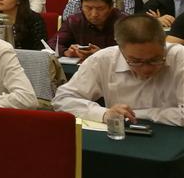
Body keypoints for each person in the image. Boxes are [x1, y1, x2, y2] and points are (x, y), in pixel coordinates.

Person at [53, 15, 184, 126]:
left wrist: (137, 113)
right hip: (122, 134)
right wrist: (104, 113)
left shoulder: (179, 57)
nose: (146, 69)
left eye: (155, 60)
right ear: (120, 49)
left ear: (164, 44)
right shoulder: (104, 59)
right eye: (136, 61)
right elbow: (62, 99)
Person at [54, 0, 128, 59]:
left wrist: (103, 54)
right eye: (88, 8)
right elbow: (53, 43)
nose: (94, 14)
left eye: (100, 8)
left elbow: (134, 52)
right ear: (81, 6)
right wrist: (66, 52)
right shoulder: (74, 21)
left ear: (111, 6)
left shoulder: (125, 23)